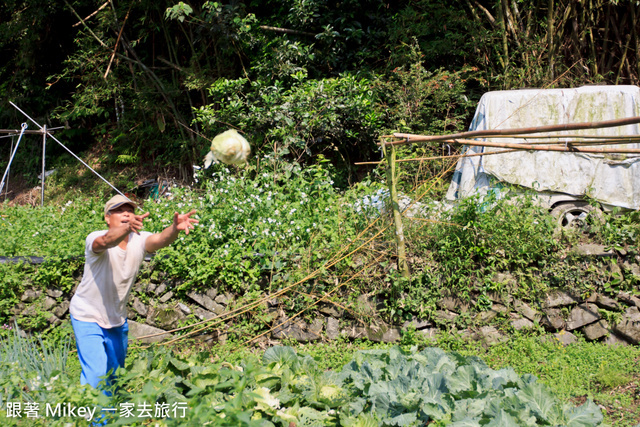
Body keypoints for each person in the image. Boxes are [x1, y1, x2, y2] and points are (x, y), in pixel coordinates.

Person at [69, 194, 198, 394]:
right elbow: (105, 241)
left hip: (116, 320)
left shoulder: (140, 239)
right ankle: (95, 421)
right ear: (107, 217)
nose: (126, 213)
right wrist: (126, 228)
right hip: (86, 315)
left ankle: (109, 417)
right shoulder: (94, 237)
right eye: (119, 211)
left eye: (130, 210)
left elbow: (160, 239)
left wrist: (174, 229)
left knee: (115, 376)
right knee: (96, 375)